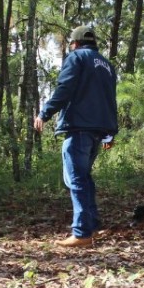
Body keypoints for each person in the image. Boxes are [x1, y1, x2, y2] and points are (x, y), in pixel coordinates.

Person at [33, 25, 118, 247]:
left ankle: (81, 233)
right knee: (84, 177)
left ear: (75, 43)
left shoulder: (76, 58)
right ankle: (93, 227)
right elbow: (110, 99)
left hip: (79, 126)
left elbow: (65, 88)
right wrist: (110, 132)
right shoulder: (107, 65)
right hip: (99, 130)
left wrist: (45, 112)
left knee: (76, 178)